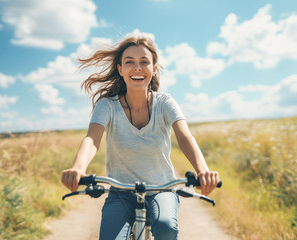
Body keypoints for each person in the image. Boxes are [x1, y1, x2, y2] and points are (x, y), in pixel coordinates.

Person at [61, 34, 220, 240]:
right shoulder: (107, 105)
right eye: (129, 62)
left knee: (165, 228)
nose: (137, 68)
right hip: (120, 191)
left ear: (154, 69)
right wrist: (78, 168)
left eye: (144, 62)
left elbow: (184, 136)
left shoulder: (165, 103)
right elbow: (92, 139)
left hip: (161, 189)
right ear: (120, 69)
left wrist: (203, 170)